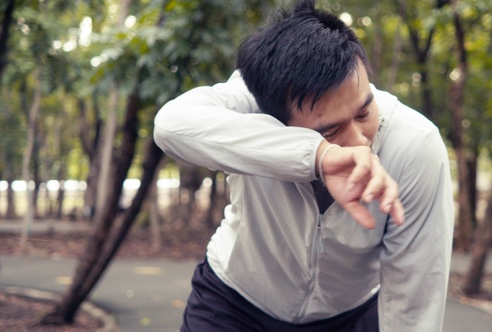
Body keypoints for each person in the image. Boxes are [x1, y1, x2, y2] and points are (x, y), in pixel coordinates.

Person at [153, 0, 454, 331]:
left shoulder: (415, 145)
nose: (358, 142)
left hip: (350, 316)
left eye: (364, 113)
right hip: (233, 304)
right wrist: (317, 155)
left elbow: (414, 296)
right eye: (330, 130)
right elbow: (172, 126)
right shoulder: (254, 100)